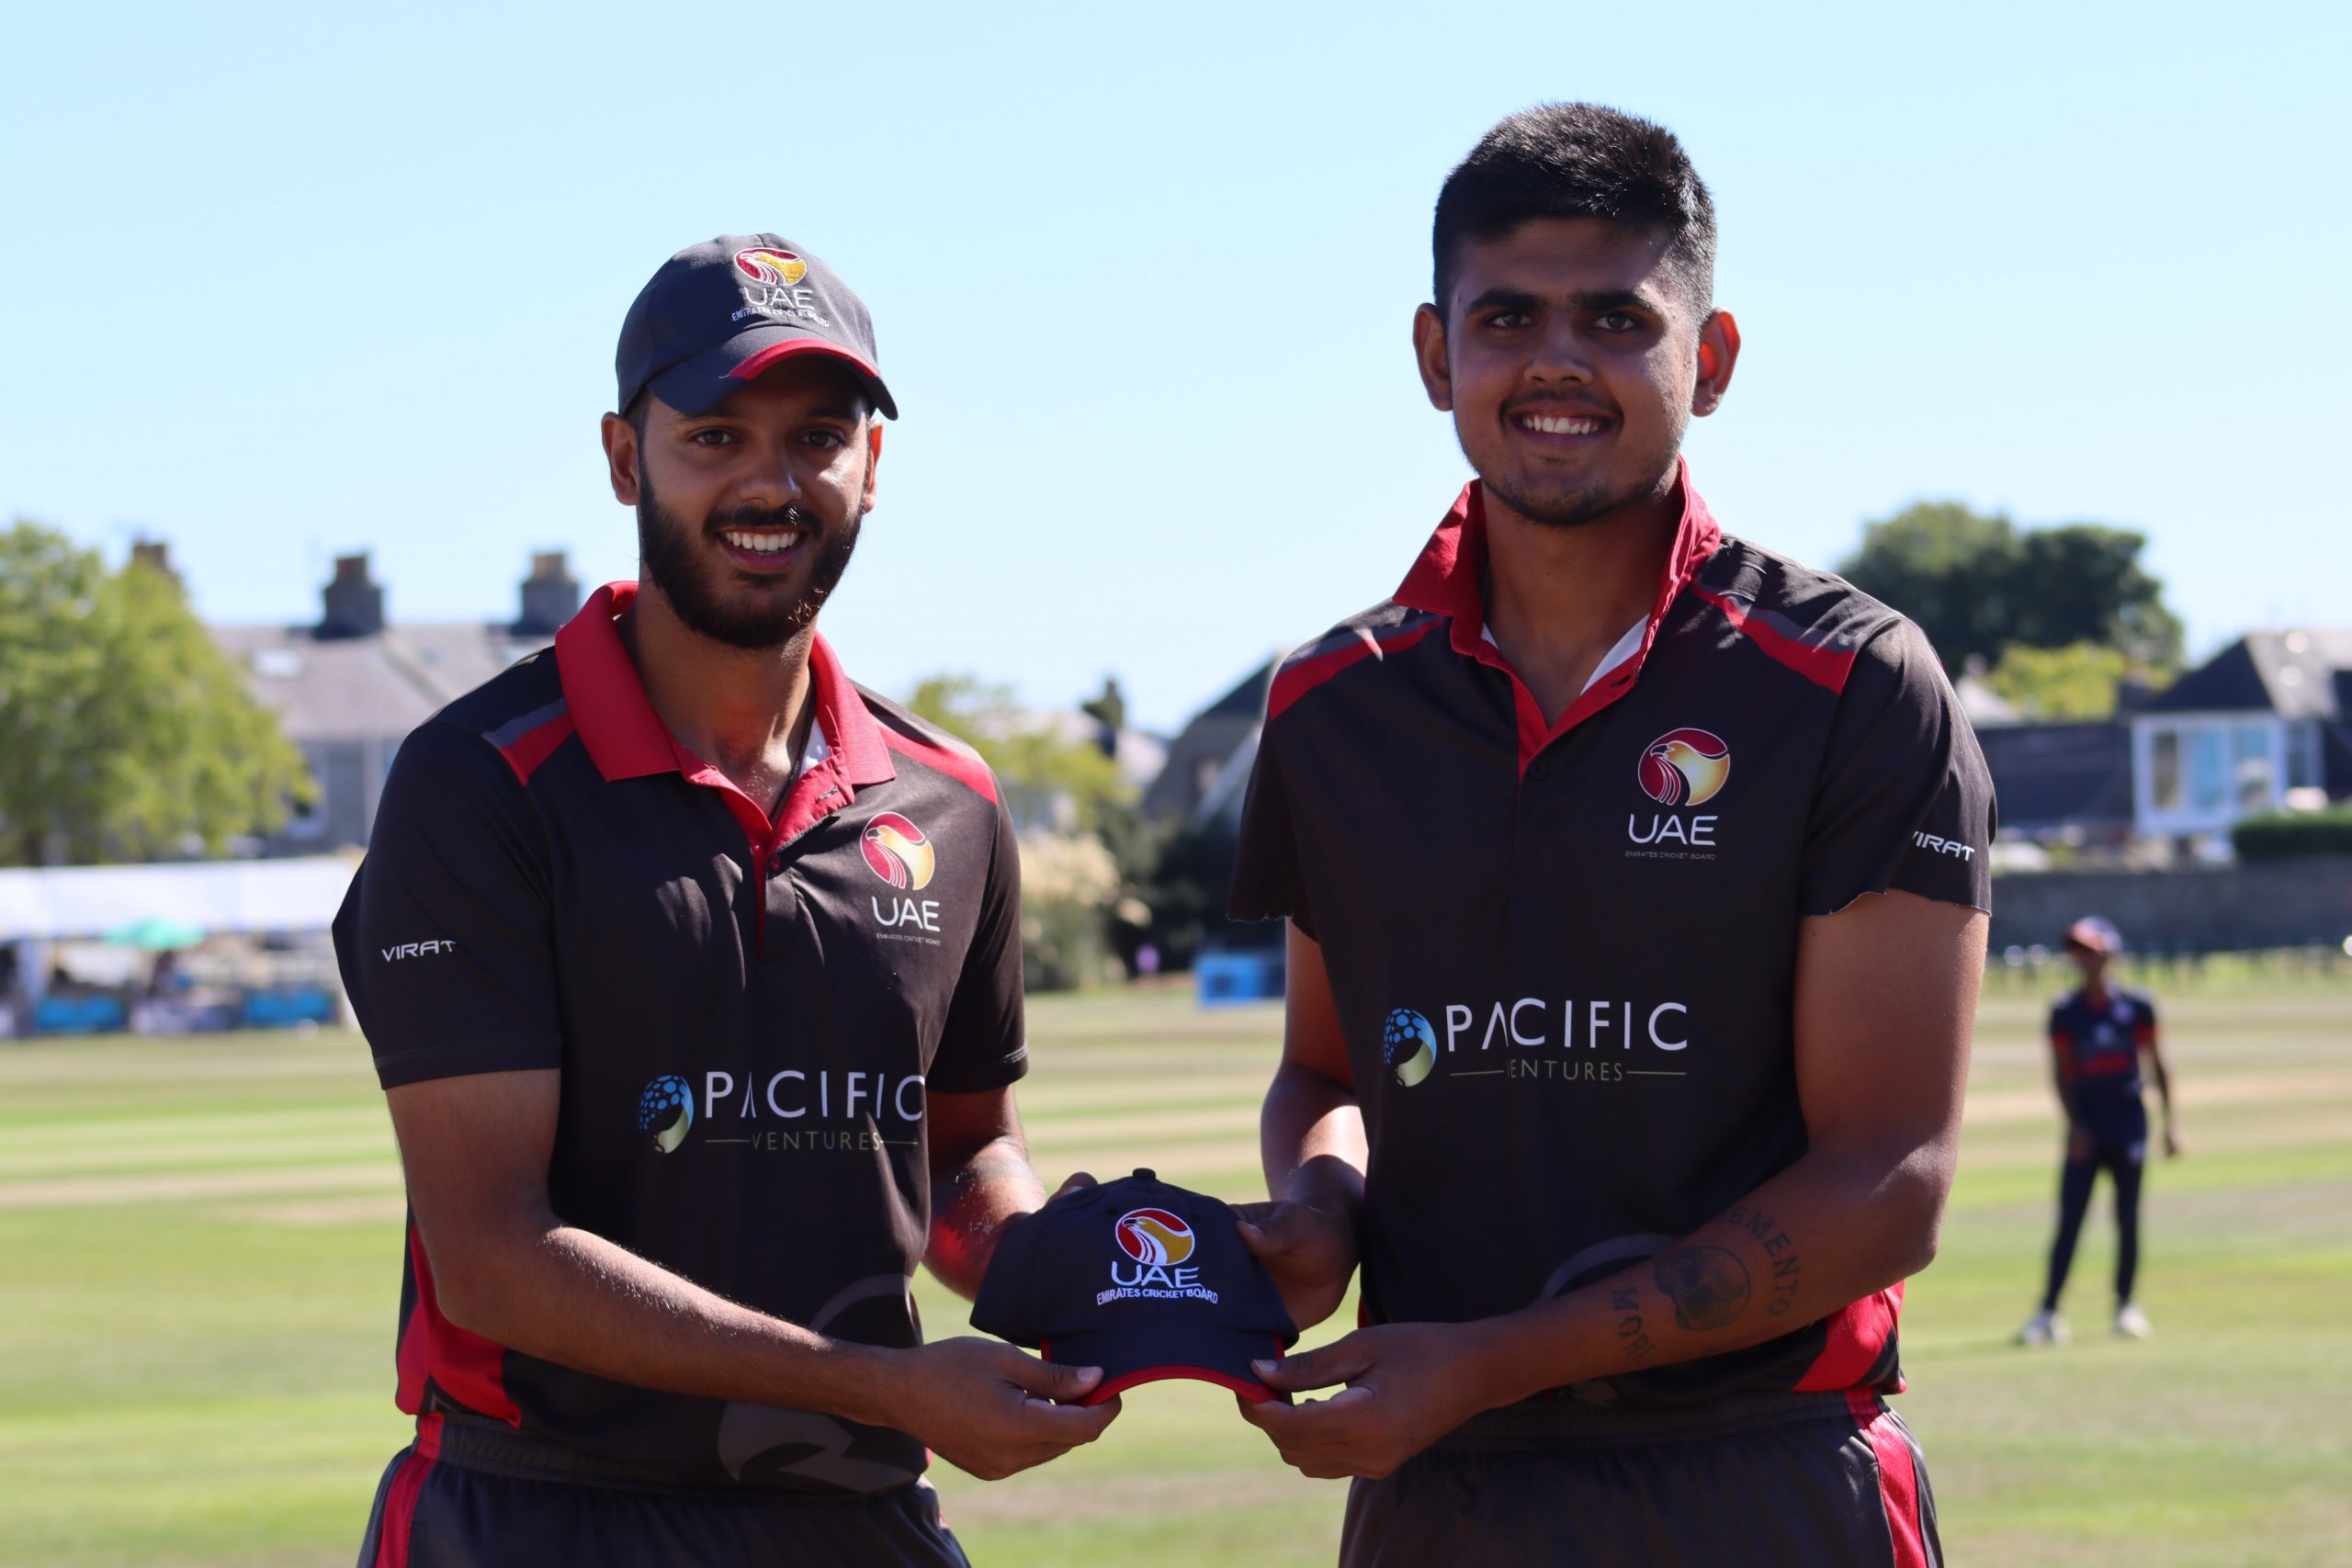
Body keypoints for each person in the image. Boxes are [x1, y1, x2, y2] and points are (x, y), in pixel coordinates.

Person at [1227, 105, 1993, 1566]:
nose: (1557, 360)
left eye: (1616, 318)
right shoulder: (1334, 705)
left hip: (1761, 1475)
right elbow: (1328, 1071)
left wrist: (1492, 1357)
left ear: (1712, 359)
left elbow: (1890, 1181)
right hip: (1444, 1488)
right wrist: (1321, 1198)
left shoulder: (1850, 680)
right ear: (1435, 354)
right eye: (1506, 316)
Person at [334, 234, 1117, 1568]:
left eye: (817, 436)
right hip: (541, 1516)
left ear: (874, 465)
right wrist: (879, 1386)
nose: (770, 482)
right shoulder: (482, 780)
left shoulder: (952, 800)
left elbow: (960, 1152)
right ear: (624, 457)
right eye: (715, 435)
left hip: (854, 1518)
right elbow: (492, 1256)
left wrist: (1122, 1279)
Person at [2018, 917, 2179, 1345]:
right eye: (2077, 952)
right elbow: (2061, 1074)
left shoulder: (2137, 1006)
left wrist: (2170, 1126)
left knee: (2128, 1219)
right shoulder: (2065, 1012)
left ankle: (2126, 1306)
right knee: (2070, 1219)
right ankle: (2048, 1312)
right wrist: (2074, 1126)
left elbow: (2157, 1064)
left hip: (2128, 1121)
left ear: (2110, 954)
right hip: (2087, 1125)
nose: (2082, 960)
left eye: (2089, 951)